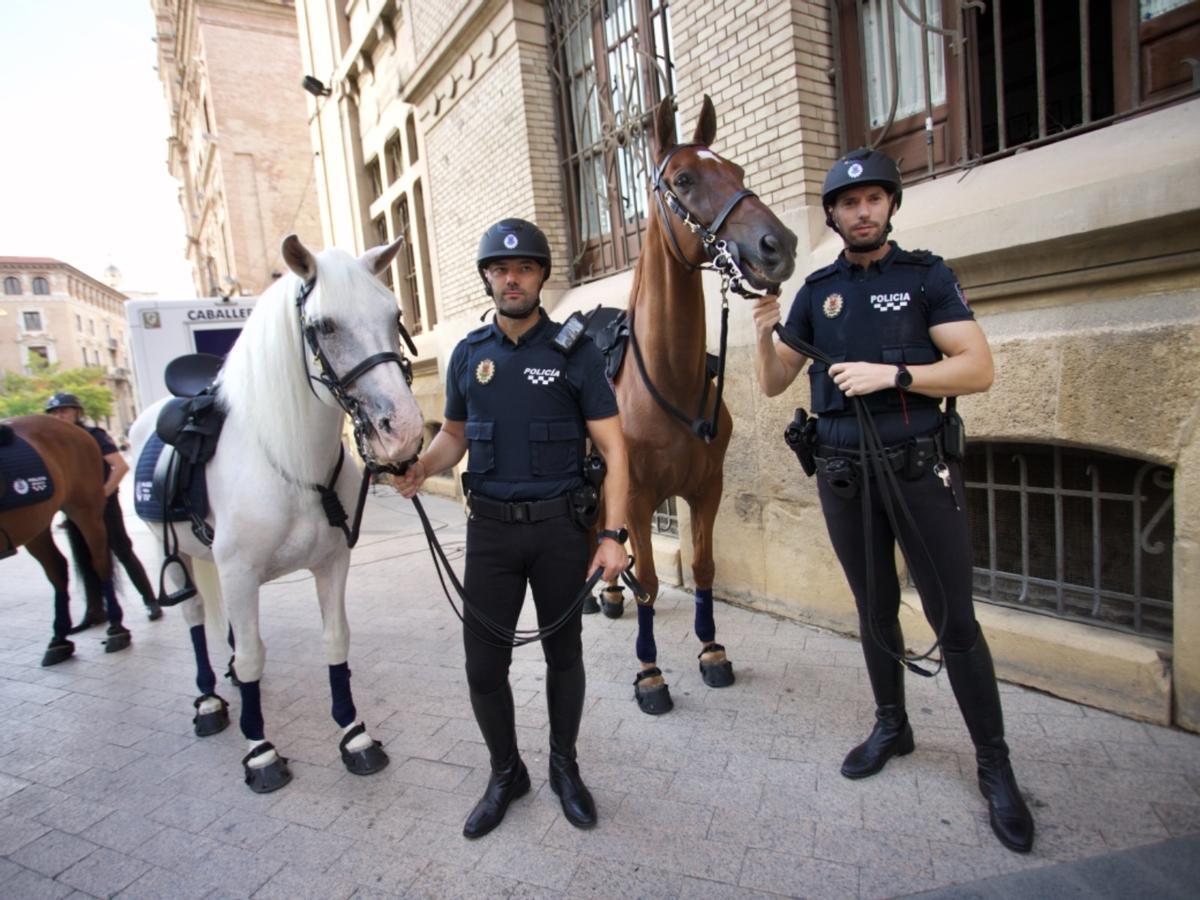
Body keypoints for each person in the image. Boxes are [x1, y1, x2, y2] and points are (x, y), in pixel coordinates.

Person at [750, 148, 1035, 854]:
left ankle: (994, 765)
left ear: (891, 206)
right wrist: (764, 327)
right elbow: (773, 383)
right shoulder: (818, 290)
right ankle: (892, 724)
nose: (863, 210)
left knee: (953, 616)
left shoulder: (925, 276)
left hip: (916, 469)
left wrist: (893, 374)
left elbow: (979, 367)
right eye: (849, 203)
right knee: (874, 607)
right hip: (844, 476)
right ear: (834, 217)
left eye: (874, 198)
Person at [397, 218, 629, 838]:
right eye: (500, 270)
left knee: (564, 657)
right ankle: (507, 773)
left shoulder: (577, 353)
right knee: (483, 668)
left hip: (559, 531)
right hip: (491, 535)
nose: (511, 278)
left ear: (541, 277)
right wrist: (422, 467)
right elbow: (453, 436)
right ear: (488, 279)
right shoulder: (469, 356)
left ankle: (564, 768)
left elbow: (615, 449)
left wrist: (614, 536)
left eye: (523, 268)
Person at [45, 393, 163, 623]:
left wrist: (101, 496)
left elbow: (119, 466)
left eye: (64, 410)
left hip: (103, 506)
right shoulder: (53, 442)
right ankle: (95, 609)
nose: (59, 415)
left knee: (122, 550)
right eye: (55, 412)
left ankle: (150, 600)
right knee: (84, 557)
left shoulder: (92, 435)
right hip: (74, 509)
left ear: (76, 412)